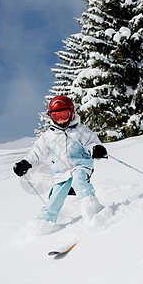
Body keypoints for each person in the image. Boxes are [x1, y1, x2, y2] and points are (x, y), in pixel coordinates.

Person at [13, 95, 108, 230]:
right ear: (51, 117)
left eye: (64, 115)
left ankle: (93, 211)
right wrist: (26, 162)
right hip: (61, 173)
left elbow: (92, 142)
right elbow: (37, 152)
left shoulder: (80, 130)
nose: (61, 120)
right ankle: (44, 223)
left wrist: (96, 149)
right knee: (55, 198)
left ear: (72, 112)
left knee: (79, 181)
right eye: (57, 117)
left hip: (81, 165)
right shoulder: (48, 136)